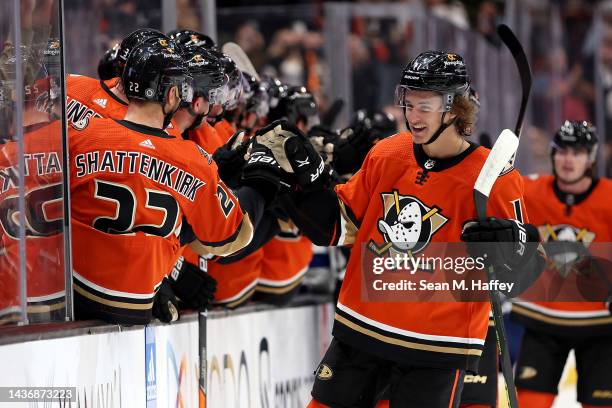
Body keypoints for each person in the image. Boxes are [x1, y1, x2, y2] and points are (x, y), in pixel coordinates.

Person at [256, 51, 544, 407]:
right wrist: (302, 187)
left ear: (455, 108)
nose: (412, 115)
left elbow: (525, 275)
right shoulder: (387, 153)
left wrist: (514, 249)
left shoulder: (493, 178)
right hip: (360, 333)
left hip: (437, 349)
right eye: (408, 104)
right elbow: (340, 226)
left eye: (424, 105)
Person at [68, 40, 281, 325]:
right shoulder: (193, 159)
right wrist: (258, 187)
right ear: (172, 96)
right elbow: (233, 238)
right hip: (137, 304)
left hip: (73, 295)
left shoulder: (80, 135)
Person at [511, 120, 612, 408]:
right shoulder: (528, 190)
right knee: (529, 403)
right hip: (542, 319)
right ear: (552, 155)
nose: (568, 159)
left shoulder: (609, 198)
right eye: (562, 151)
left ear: (591, 158)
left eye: (578, 152)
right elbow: (490, 200)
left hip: (601, 325)